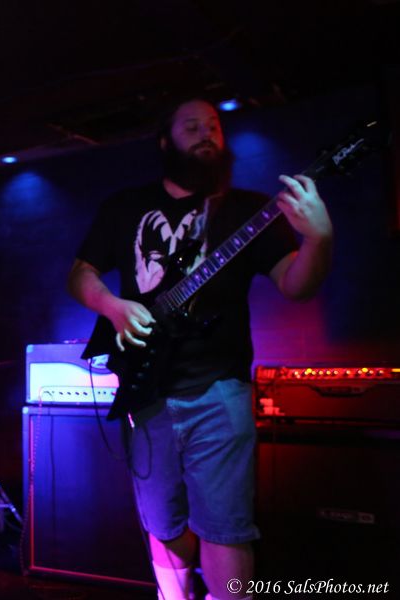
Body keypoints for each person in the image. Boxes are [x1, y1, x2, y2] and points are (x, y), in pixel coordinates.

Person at [67, 98, 333, 600]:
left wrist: (318, 239)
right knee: (162, 524)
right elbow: (81, 275)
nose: (206, 133)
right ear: (165, 142)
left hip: (219, 388)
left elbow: (296, 284)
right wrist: (113, 306)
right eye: (191, 126)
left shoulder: (247, 210)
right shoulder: (125, 206)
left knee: (226, 527)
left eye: (213, 126)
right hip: (146, 391)